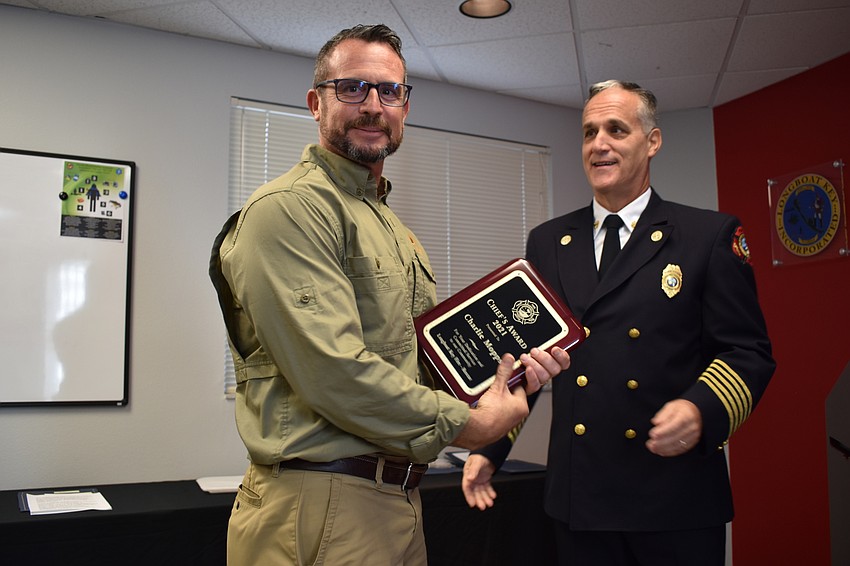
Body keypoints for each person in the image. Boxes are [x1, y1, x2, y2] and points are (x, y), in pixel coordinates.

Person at [208, 24, 570, 566]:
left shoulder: (394, 230)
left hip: (394, 500)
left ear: (405, 106)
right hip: (322, 502)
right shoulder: (288, 209)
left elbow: (419, 362)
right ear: (315, 103)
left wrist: (507, 375)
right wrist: (471, 425)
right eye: (352, 88)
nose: (373, 105)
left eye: (390, 91)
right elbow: (333, 370)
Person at [462, 80, 776, 566]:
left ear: (652, 142)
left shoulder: (707, 235)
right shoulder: (548, 240)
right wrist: (490, 448)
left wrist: (700, 409)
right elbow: (526, 361)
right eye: (589, 132)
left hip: (674, 498)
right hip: (580, 498)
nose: (599, 144)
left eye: (615, 129)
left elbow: (747, 352)